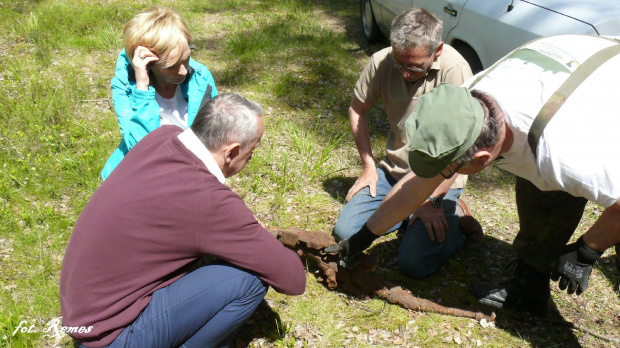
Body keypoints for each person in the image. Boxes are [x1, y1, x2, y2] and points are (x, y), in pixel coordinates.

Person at [328, 34, 620, 317]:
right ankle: (531, 287)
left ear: (482, 160)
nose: (442, 175)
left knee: (556, 183)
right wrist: (360, 240)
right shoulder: (466, 101)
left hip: (602, 92)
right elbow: (416, 185)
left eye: (449, 169)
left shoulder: (565, 153)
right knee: (539, 187)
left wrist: (588, 250)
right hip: (574, 66)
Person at [60, 93, 306, 347]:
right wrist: (255, 232)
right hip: (113, 338)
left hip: (82, 314)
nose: (251, 157)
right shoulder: (210, 201)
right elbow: (293, 279)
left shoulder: (161, 137)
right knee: (251, 280)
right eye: (252, 149)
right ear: (231, 151)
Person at [332, 7, 481, 279]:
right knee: (346, 233)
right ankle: (405, 215)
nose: (404, 72)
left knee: (413, 265)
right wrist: (367, 166)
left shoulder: (456, 70)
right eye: (399, 63)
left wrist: (430, 198)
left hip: (438, 177)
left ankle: (456, 220)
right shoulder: (382, 60)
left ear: (437, 50)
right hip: (394, 171)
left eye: (414, 66)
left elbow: (463, 149)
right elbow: (357, 110)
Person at [100, 6, 218, 180]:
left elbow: (212, 134)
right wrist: (142, 89)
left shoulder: (201, 77)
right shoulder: (124, 86)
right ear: (148, 64)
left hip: (187, 171)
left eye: (186, 59)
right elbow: (141, 148)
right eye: (171, 66)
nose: (184, 71)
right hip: (141, 175)